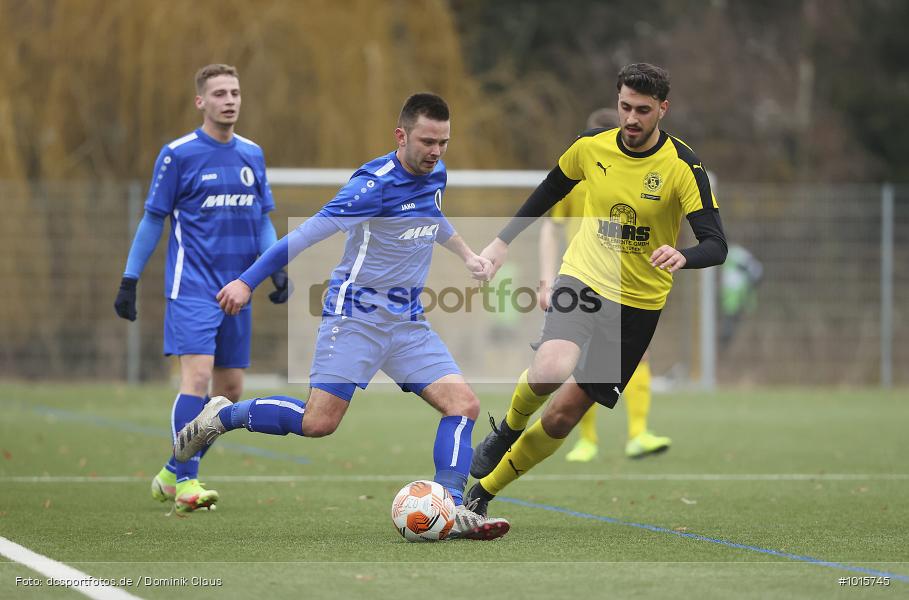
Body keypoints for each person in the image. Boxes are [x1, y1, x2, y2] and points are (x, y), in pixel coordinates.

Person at [172, 93, 510, 540]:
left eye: (444, 142)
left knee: (463, 405)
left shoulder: (436, 172)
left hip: (407, 323)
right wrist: (246, 281)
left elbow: (432, 215)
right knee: (318, 423)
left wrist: (467, 254)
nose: (436, 152)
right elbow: (305, 235)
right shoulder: (370, 187)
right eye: (428, 141)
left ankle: (450, 506)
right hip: (356, 318)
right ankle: (223, 415)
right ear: (401, 135)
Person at [466, 63, 727, 514]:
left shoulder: (684, 166)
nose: (630, 118)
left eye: (642, 110)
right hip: (585, 276)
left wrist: (685, 256)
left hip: (637, 305)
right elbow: (549, 190)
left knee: (564, 416)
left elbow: (716, 243)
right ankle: (506, 429)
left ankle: (482, 493)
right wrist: (501, 241)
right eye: (625, 106)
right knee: (551, 367)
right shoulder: (590, 147)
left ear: (662, 109)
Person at [113, 64, 290, 513]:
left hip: (239, 288)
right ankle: (189, 482)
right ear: (201, 102)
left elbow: (262, 218)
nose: (229, 99)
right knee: (196, 377)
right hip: (191, 287)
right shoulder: (178, 154)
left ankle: (173, 470)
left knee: (229, 390)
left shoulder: (252, 153)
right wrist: (130, 277)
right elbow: (155, 218)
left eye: (234, 92)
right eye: (219, 93)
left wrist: (275, 267)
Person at [539, 107, 670, 462]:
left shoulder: (635, 178)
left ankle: (638, 434)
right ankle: (588, 440)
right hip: (586, 278)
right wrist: (547, 279)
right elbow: (552, 226)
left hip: (630, 283)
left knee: (634, 355)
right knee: (583, 361)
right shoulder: (578, 177)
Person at [719, 244, 763, 350]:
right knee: (731, 318)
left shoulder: (735, 254)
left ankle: (726, 342)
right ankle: (726, 341)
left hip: (734, 292)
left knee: (732, 318)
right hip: (734, 293)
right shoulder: (740, 255)